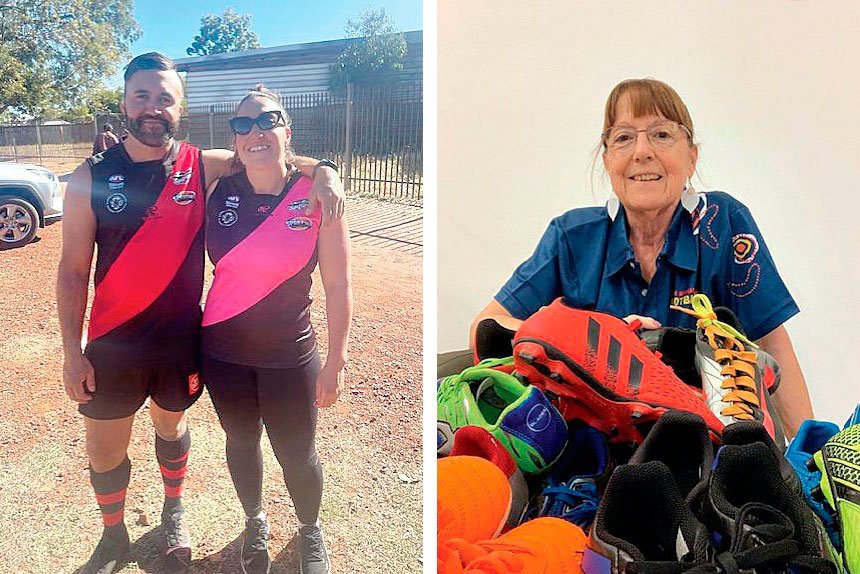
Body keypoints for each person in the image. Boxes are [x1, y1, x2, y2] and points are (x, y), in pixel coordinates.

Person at [57, 53, 344, 574]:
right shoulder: (87, 179)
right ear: (124, 101)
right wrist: (71, 353)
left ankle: (174, 511)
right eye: (141, 96)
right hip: (112, 343)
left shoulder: (201, 164)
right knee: (103, 451)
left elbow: (266, 154)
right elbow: (73, 272)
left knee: (171, 432)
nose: (152, 108)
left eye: (164, 98)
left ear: (179, 107)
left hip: (180, 342)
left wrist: (326, 170)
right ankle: (113, 536)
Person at [470, 78, 813, 439]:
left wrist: (813, 456)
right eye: (623, 138)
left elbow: (772, 344)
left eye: (662, 135)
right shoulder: (572, 237)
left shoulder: (722, 224)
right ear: (606, 159)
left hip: (699, 438)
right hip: (592, 437)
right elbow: (486, 325)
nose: (642, 152)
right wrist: (584, 336)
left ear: (692, 157)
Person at [199, 85, 352, 574]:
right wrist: (323, 162)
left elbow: (338, 285)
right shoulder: (217, 184)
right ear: (234, 139)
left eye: (268, 121)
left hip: (290, 352)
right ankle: (255, 521)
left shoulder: (318, 196)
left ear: (289, 129)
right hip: (222, 350)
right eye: (243, 125)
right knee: (240, 441)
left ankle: (310, 530)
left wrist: (337, 360)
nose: (255, 133)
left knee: (297, 452)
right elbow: (169, 158)